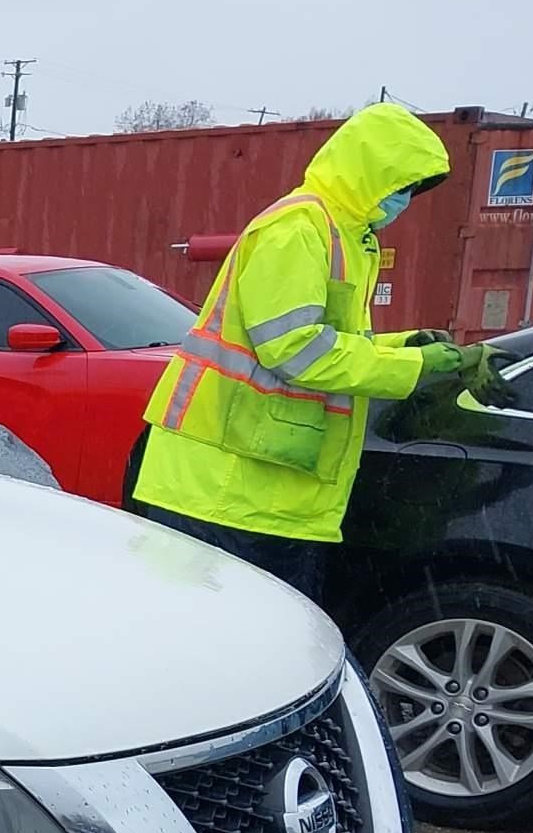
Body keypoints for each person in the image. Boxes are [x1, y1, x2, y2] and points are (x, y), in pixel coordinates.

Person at [128, 102, 509, 600]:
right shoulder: (299, 230)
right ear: (369, 172)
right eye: (402, 186)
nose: (405, 200)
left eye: (413, 190)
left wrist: (405, 345)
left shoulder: (348, 239)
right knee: (222, 653)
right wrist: (416, 367)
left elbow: (332, 343)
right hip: (218, 490)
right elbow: (296, 352)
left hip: (259, 489)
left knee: (255, 652)